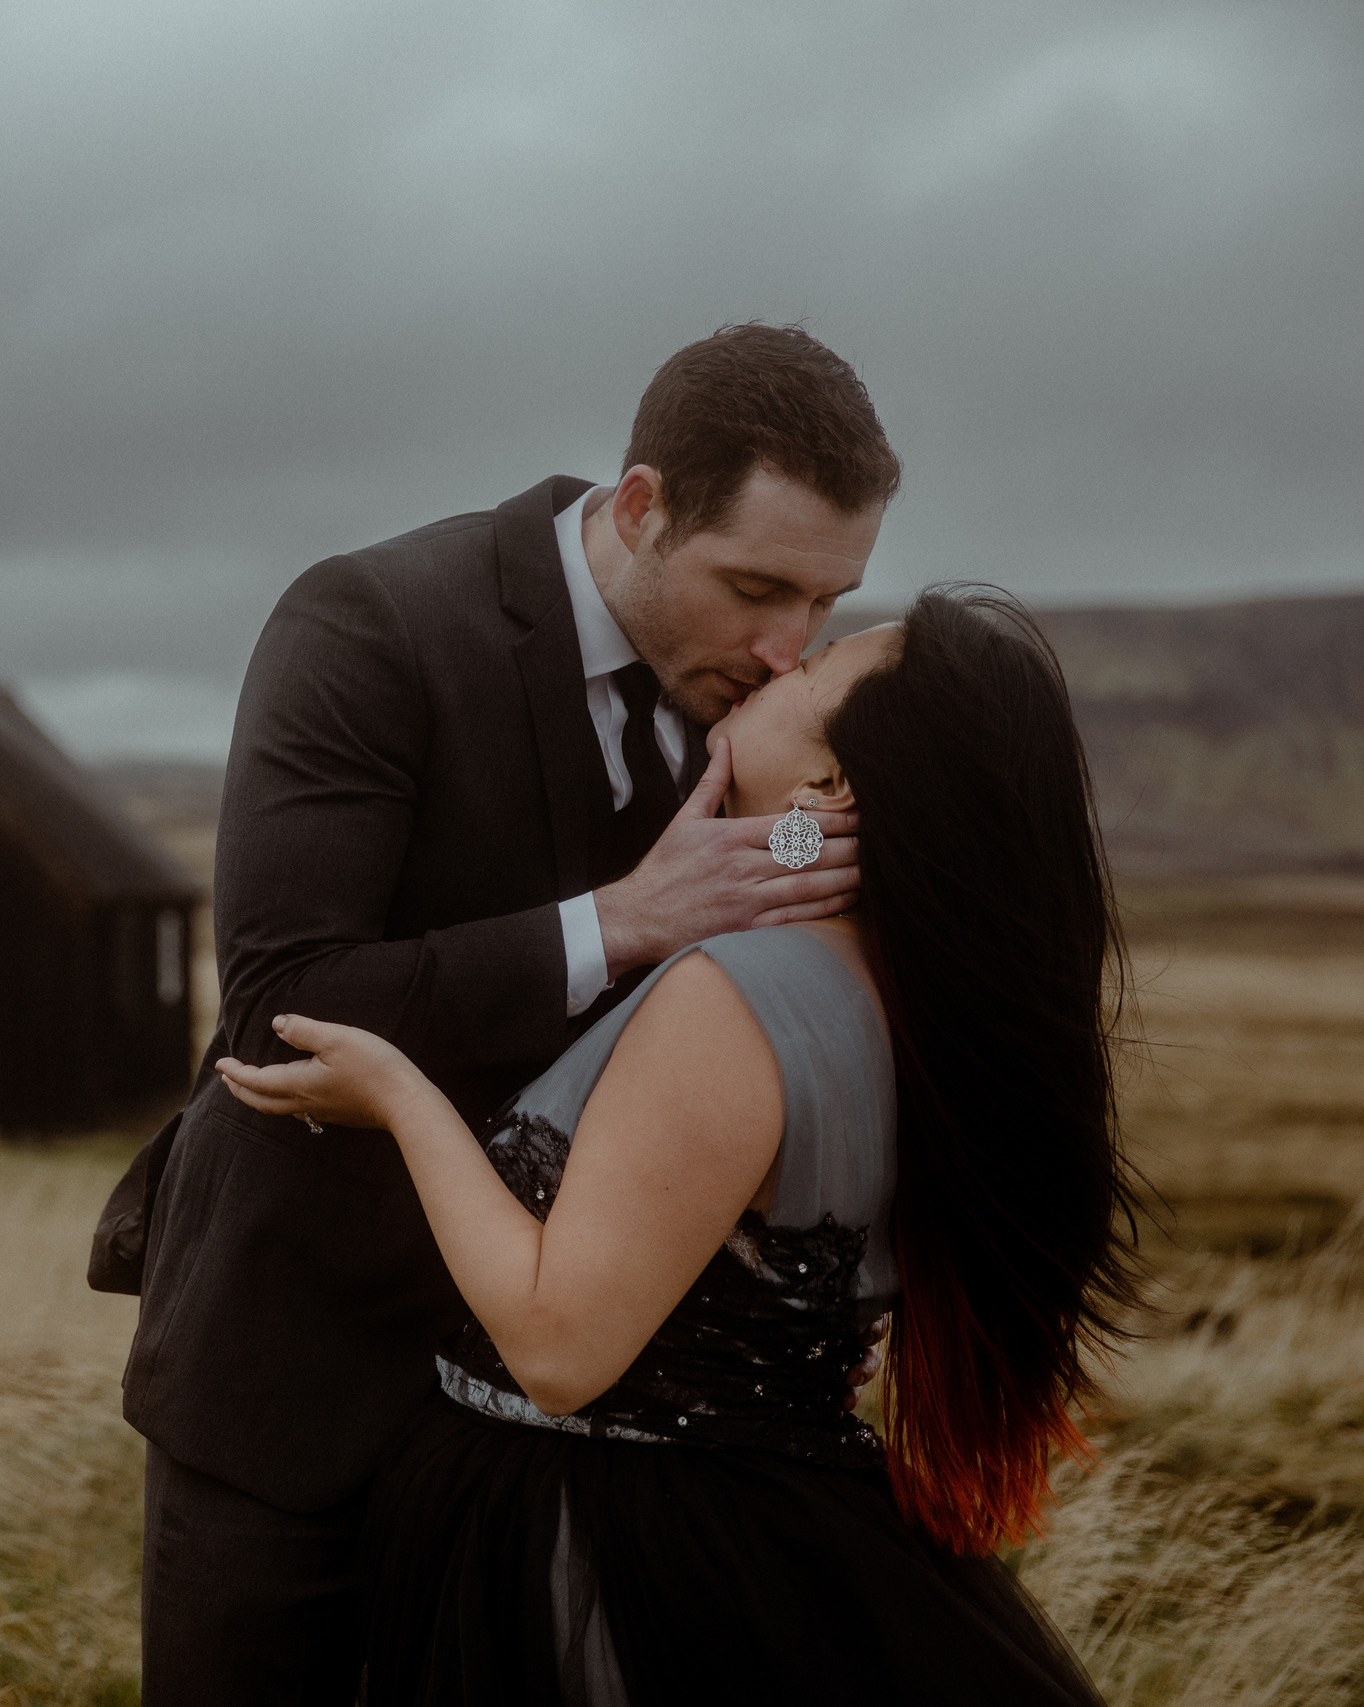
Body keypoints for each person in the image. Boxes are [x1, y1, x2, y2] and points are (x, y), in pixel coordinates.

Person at [98, 325, 903, 1702]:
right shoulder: (368, 624)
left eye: (827, 604)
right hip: (303, 1383)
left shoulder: (757, 712)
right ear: (643, 507)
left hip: (574, 1432)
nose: (788, 650)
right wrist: (627, 920)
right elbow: (282, 1002)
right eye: (758, 586)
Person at [217, 588, 1140, 1702]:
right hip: (753, 1536)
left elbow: (559, 1353)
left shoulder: (739, 996)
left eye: (822, 660)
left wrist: (401, 1096)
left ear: (830, 788)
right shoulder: (886, 991)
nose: (787, 654)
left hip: (594, 1543)